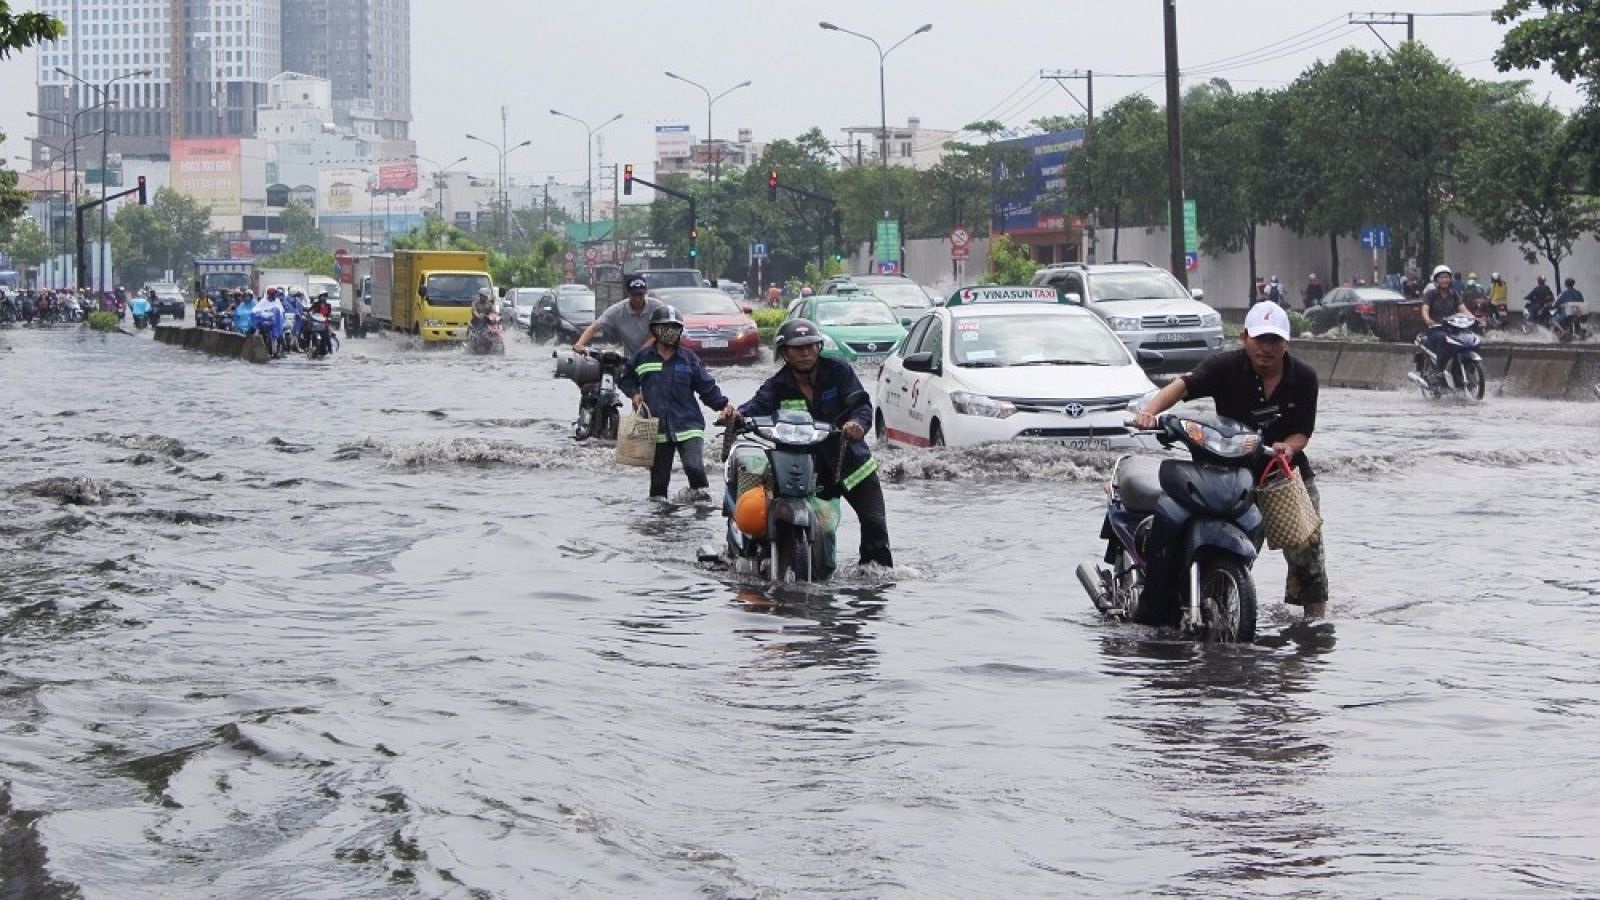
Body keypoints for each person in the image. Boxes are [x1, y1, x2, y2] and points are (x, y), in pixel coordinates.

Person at [1132, 301, 1327, 620]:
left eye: (1274, 341)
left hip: (1282, 475)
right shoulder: (1224, 366)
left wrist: (1287, 448)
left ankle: (1314, 627)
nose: (1266, 348)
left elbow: (1302, 432)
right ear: (1244, 337)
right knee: (1220, 544)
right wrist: (1149, 414)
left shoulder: (1304, 377)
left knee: (1309, 558)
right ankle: (1208, 599)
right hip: (1230, 475)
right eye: (1260, 339)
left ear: (1286, 344)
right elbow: (1183, 386)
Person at [724, 319, 894, 568]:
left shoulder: (838, 371)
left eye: (810, 347)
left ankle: (874, 582)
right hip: (809, 471)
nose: (805, 353)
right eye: (797, 348)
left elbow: (861, 406)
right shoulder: (778, 385)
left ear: (819, 348)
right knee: (813, 528)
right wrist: (735, 416)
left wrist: (857, 424)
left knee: (875, 525)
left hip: (852, 464)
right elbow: (754, 407)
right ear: (784, 353)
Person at [618, 306, 737, 501]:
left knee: (694, 467)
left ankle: (699, 504)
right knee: (658, 483)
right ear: (654, 330)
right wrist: (634, 395)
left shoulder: (688, 358)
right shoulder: (642, 357)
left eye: (675, 328)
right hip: (657, 428)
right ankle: (662, 522)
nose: (670, 332)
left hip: (688, 425)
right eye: (665, 327)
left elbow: (706, 387)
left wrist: (723, 406)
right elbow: (625, 379)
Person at [573, 276, 662, 356]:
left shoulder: (657, 307)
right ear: (628, 293)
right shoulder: (617, 310)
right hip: (631, 360)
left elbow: (669, 328)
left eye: (640, 295)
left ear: (645, 293)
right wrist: (579, 344)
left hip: (657, 357)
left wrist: (649, 343)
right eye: (634, 295)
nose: (637, 299)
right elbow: (595, 327)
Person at [1419, 264, 1472, 380]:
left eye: (1447, 277)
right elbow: (1425, 309)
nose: (1444, 280)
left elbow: (1463, 309)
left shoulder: (1454, 294)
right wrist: (1428, 319)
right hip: (1435, 330)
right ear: (1436, 279)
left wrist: (1473, 318)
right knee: (1444, 339)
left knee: (1470, 339)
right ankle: (1439, 370)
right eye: (1441, 277)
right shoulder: (1430, 294)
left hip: (1453, 329)